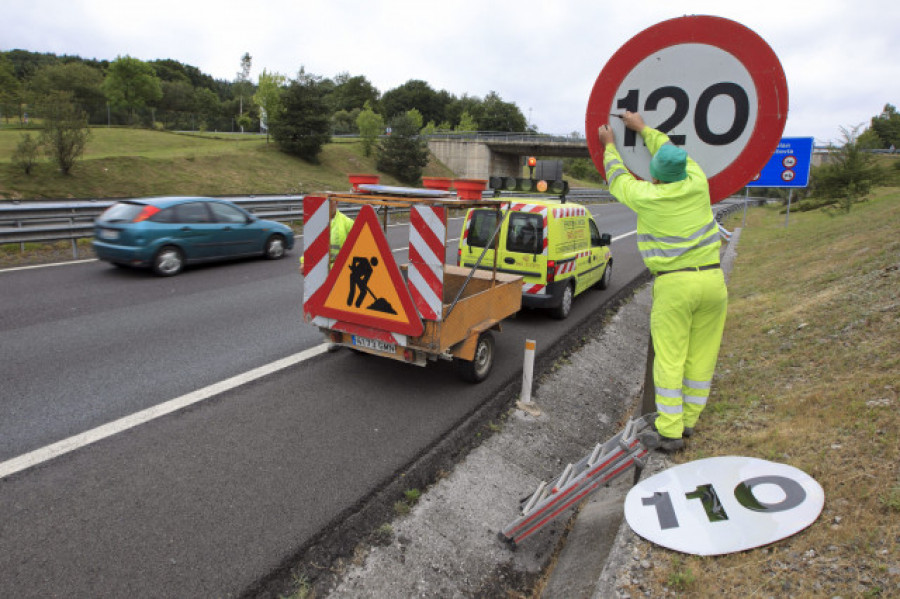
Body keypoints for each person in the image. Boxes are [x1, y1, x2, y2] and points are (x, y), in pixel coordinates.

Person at [598, 112, 728, 452]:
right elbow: (669, 148)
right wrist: (644, 129)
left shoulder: (648, 196)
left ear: (655, 176)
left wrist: (610, 145)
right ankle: (687, 421)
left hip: (675, 285)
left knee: (670, 357)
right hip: (714, 280)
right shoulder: (697, 180)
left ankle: (669, 431)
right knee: (702, 355)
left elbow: (616, 179)